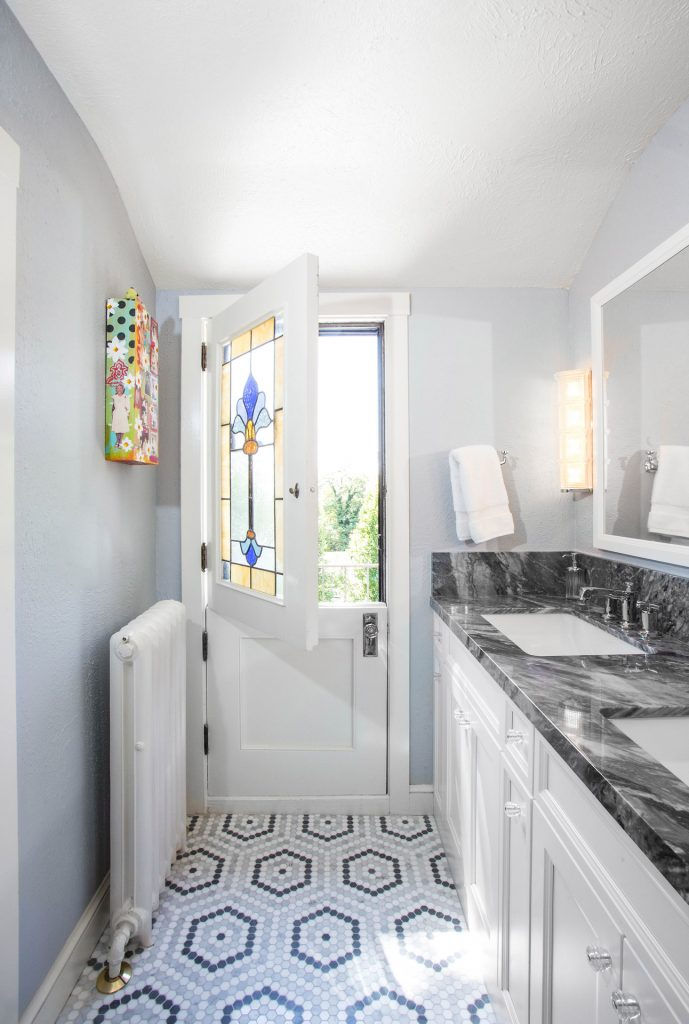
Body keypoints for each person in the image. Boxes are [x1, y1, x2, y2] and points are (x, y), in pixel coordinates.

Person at [111, 383, 130, 448]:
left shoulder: (125, 397)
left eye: (120, 388)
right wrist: (113, 413)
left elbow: (128, 406)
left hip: (123, 413)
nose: (119, 389)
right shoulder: (114, 397)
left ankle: (120, 441)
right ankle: (118, 441)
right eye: (118, 388)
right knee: (117, 427)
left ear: (123, 389)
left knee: (122, 427)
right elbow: (113, 406)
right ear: (116, 389)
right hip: (116, 413)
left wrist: (127, 413)